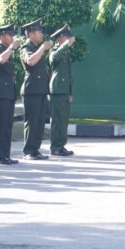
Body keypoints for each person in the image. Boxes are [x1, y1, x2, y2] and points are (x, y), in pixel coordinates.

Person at [20, 19, 53, 160]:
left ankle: (36, 149)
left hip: (40, 89)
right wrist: (43, 48)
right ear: (31, 34)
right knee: (32, 121)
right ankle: (29, 150)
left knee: (40, 122)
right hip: (31, 89)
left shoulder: (36, 47)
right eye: (39, 32)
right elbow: (30, 61)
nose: (42, 35)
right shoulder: (26, 47)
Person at [0, 24, 20, 165]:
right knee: (1, 125)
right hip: (1, 92)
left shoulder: (7, 50)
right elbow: (0, 60)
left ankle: (5, 154)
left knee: (8, 125)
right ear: (2, 36)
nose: (12, 37)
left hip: (9, 92)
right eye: (10, 35)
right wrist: (11, 48)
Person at [48, 25, 76, 156]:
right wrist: (64, 45)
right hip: (57, 90)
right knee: (57, 121)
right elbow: (53, 59)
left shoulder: (65, 52)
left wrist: (70, 92)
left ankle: (61, 145)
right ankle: (55, 146)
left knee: (64, 120)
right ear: (60, 38)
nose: (69, 40)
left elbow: (69, 74)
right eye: (66, 37)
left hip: (64, 91)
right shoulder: (54, 51)